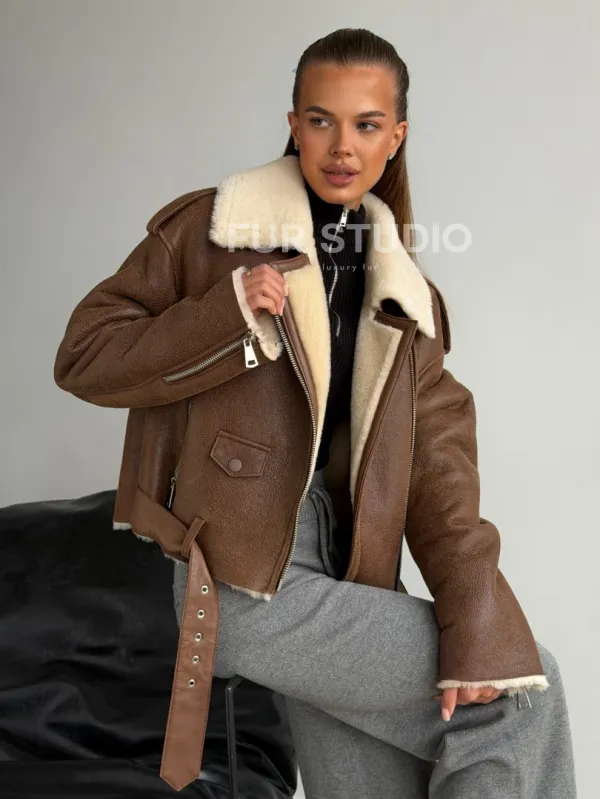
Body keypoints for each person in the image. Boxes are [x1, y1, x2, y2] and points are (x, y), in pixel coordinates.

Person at [54, 26, 576, 799]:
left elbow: (442, 479)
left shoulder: (406, 300)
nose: (342, 146)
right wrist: (225, 314)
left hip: (348, 573)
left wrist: (477, 620)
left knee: (486, 687)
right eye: (322, 120)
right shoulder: (213, 234)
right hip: (242, 582)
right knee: (519, 698)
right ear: (294, 124)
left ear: (397, 137)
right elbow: (84, 354)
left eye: (367, 124)